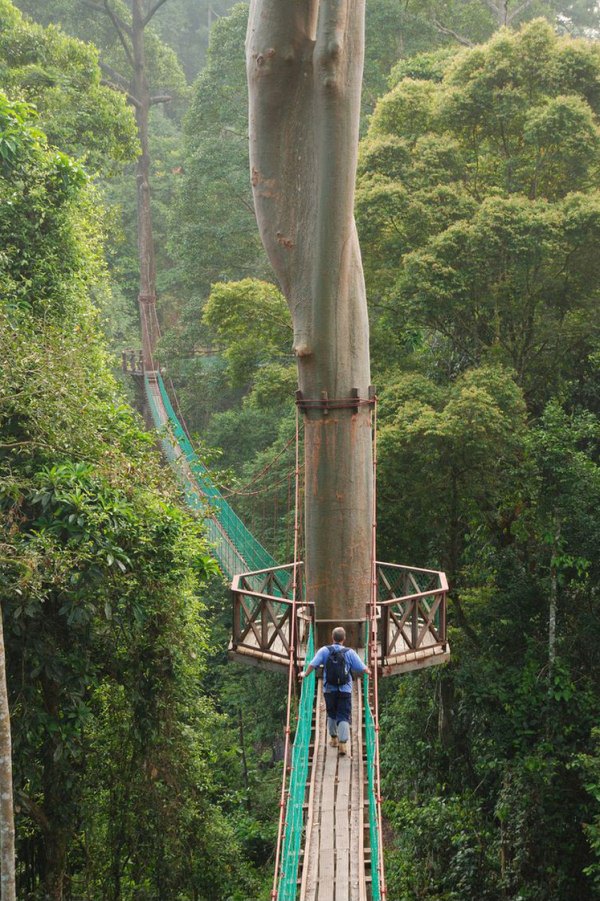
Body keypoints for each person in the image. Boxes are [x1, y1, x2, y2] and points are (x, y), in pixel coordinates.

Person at [299, 626, 371, 756]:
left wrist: (305, 674)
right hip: (345, 690)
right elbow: (362, 668)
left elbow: (312, 664)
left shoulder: (324, 650)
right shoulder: (350, 652)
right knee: (343, 715)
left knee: (331, 713)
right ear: (344, 639)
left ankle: (333, 739)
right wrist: (369, 672)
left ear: (332, 638)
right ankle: (343, 745)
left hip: (329, 689)